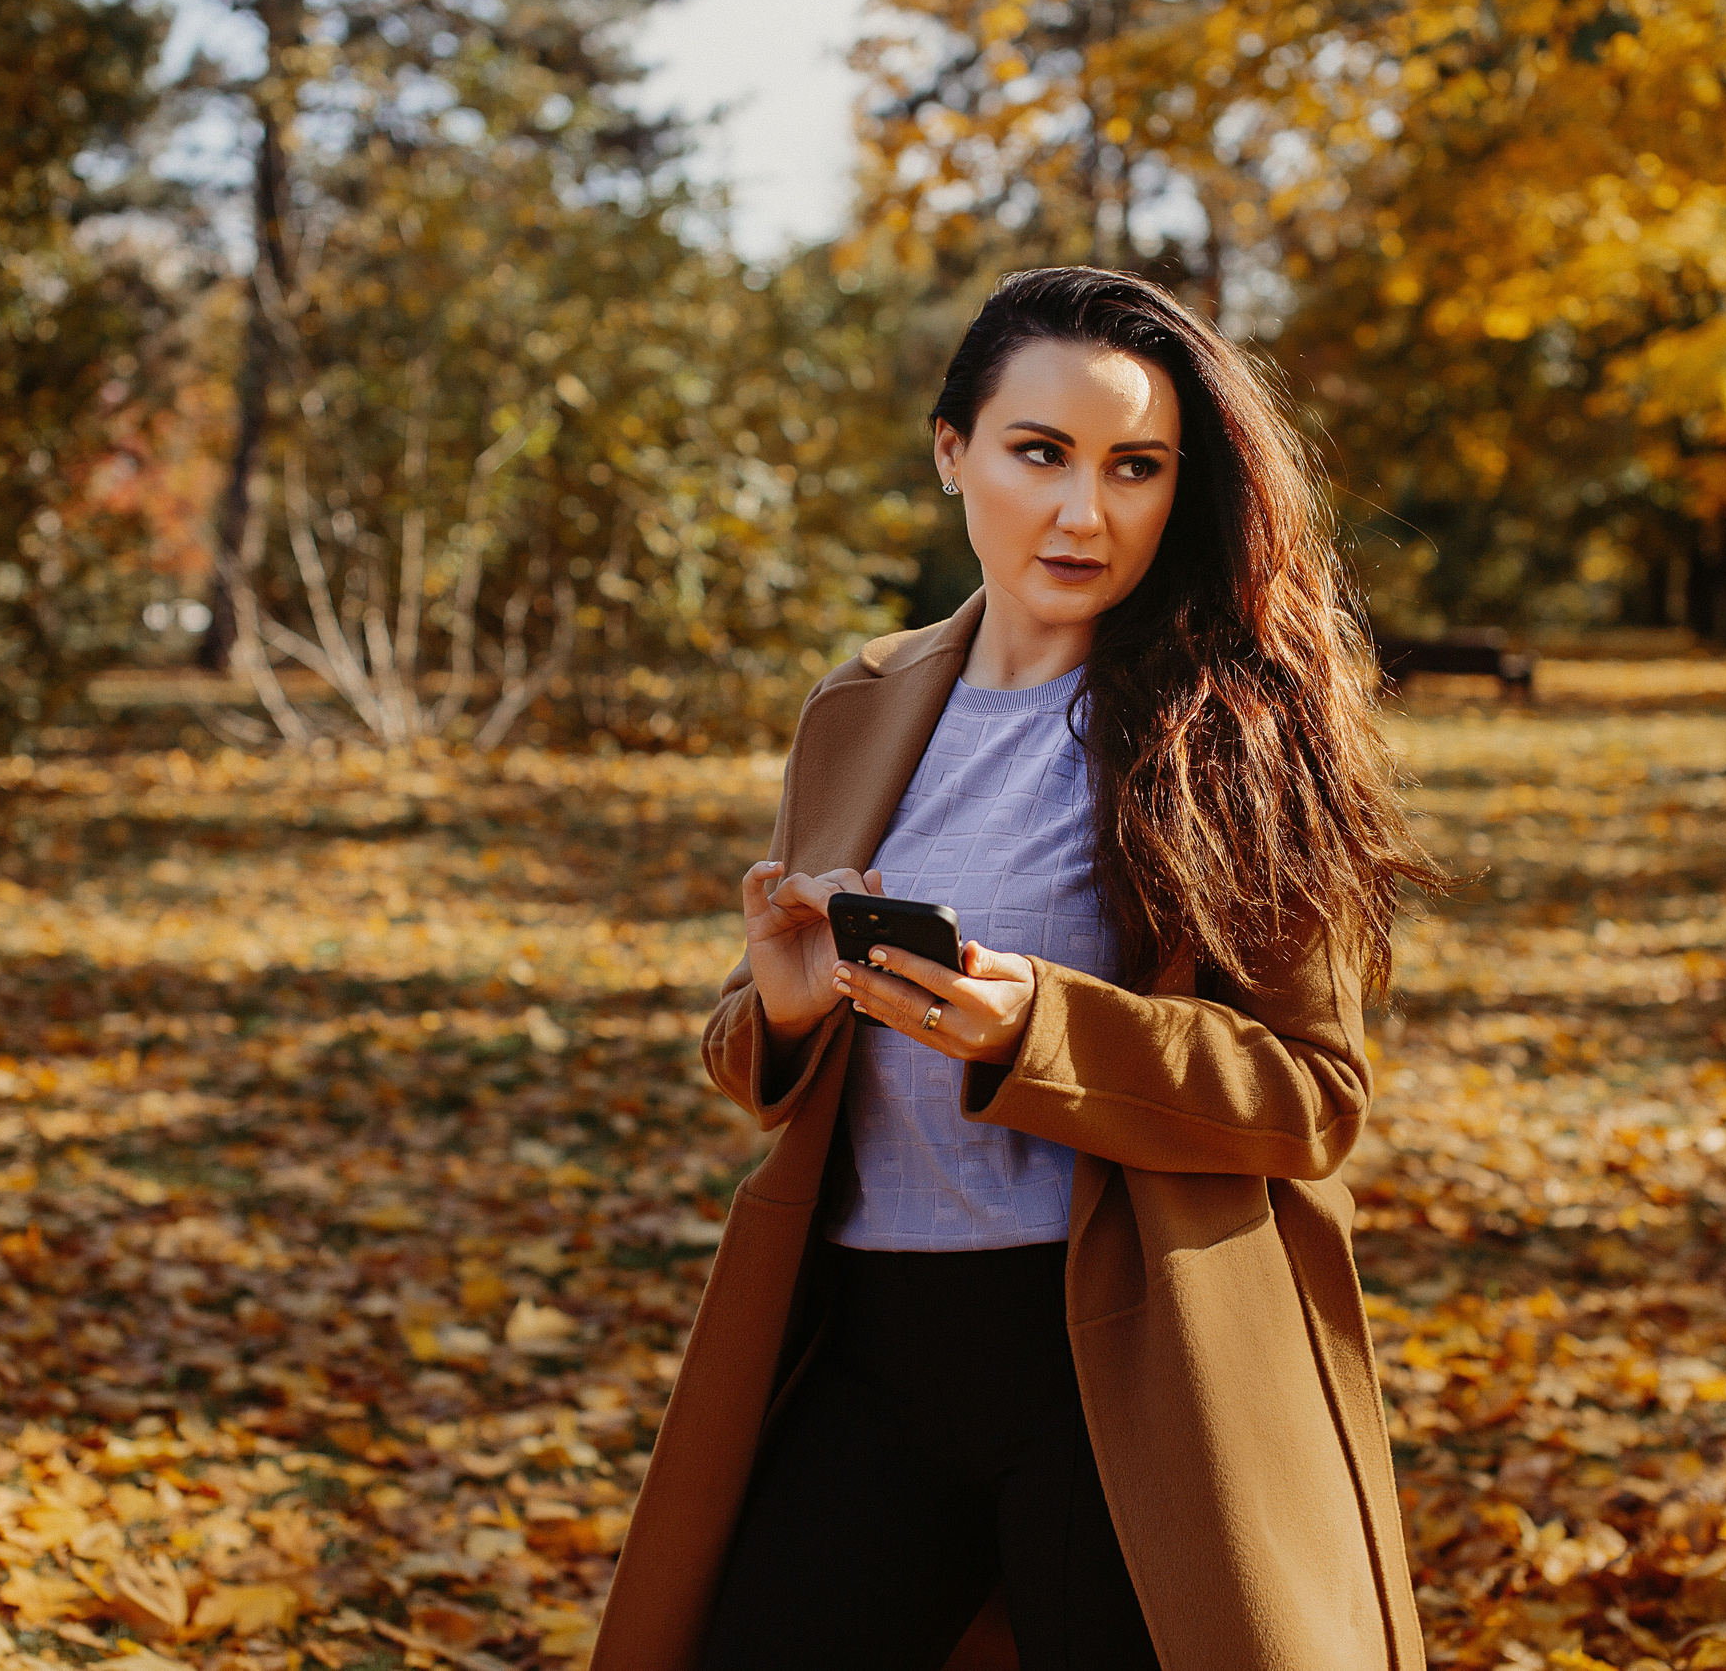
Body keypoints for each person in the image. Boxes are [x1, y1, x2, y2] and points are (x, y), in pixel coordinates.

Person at [589, 267, 1446, 1671]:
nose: (1084, 511)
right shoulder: (859, 707)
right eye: (1038, 453)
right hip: (865, 1344)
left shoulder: (1231, 727)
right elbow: (765, 1053)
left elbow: (1311, 1096)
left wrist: (1039, 1030)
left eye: (1136, 467)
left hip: (1126, 1363)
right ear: (952, 453)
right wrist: (785, 1016)